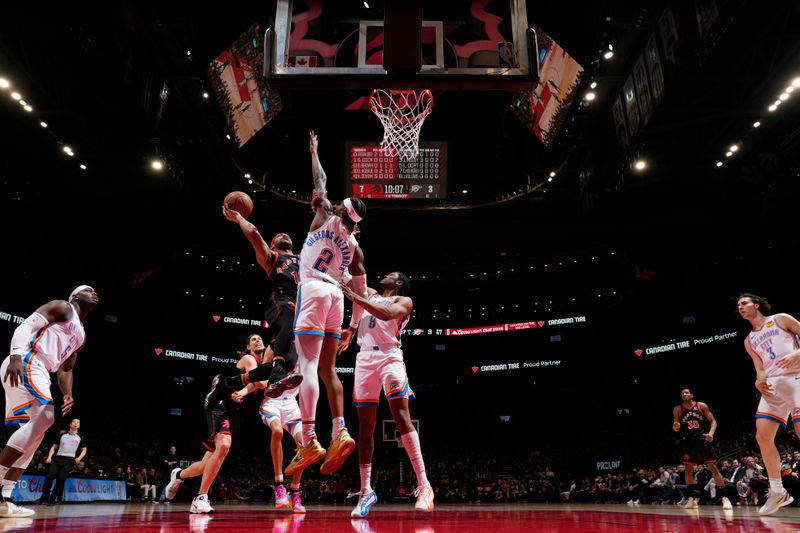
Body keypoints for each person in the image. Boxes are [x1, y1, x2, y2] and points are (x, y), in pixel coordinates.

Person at [284, 131, 367, 477]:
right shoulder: (354, 248)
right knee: (328, 369)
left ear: (339, 208)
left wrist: (314, 151)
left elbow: (321, 180)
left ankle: (309, 440)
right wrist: (352, 326)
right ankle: (339, 430)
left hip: (314, 290)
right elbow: (359, 288)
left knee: (306, 365)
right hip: (337, 299)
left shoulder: (324, 214)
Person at [338, 272, 434, 517]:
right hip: (364, 358)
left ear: (399, 283)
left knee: (401, 417)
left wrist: (356, 298)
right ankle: (366, 490)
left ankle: (424, 485)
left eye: (392, 274)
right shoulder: (370, 293)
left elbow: (386, 314)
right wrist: (347, 237)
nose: (385, 275)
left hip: (390, 356)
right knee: (365, 427)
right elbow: (350, 275)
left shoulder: (404, 301)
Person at [0, 285, 98, 517]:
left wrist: (68, 393)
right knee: (46, 416)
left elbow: (65, 370)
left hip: (42, 370)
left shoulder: (81, 335)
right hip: (28, 359)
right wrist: (15, 354)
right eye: (88, 290)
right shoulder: (63, 307)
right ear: (75, 296)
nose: (94, 293)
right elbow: (27, 325)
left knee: (36, 434)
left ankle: (5, 497)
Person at [206, 208, 303, 404]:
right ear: (273, 246)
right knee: (281, 361)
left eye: (287, 235)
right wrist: (239, 217)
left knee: (289, 363)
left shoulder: (304, 258)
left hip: (300, 313)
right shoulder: (272, 257)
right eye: (278, 236)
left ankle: (227, 382)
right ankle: (276, 373)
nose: (283, 234)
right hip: (281, 302)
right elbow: (254, 234)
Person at [164, 335, 261, 513]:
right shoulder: (249, 359)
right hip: (220, 405)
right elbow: (259, 381)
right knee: (224, 445)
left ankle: (178, 475)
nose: (258, 341)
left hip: (234, 414)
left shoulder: (262, 365)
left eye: (260, 338)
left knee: (206, 464)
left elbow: (255, 385)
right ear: (248, 346)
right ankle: (200, 498)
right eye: (253, 339)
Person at [738, 292, 800, 515]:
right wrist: (758, 380)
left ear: (756, 304)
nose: (741, 307)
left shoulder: (781, 318)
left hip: (797, 376)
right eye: (738, 305)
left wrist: (797, 354)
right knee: (762, 436)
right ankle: (778, 491)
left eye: (744, 303)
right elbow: (760, 368)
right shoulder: (749, 340)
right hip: (772, 386)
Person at [671, 388, 731, 510]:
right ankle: (692, 500)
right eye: (682, 393)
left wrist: (711, 433)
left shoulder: (701, 405)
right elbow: (676, 427)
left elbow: (713, 421)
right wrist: (675, 426)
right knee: (688, 470)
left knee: (713, 467)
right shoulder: (677, 409)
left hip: (702, 439)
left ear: (692, 395)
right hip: (688, 441)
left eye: (687, 392)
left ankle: (725, 498)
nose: (684, 394)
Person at [39, 418, 87, 505]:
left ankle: (52, 499)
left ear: (79, 425)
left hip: (69, 460)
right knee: (50, 477)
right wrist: (50, 456)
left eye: (78, 422)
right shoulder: (62, 435)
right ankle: (43, 497)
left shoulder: (80, 437)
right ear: (70, 424)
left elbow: (84, 449)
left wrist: (79, 458)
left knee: (61, 479)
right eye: (74, 421)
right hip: (58, 458)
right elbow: (54, 447)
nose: (76, 423)